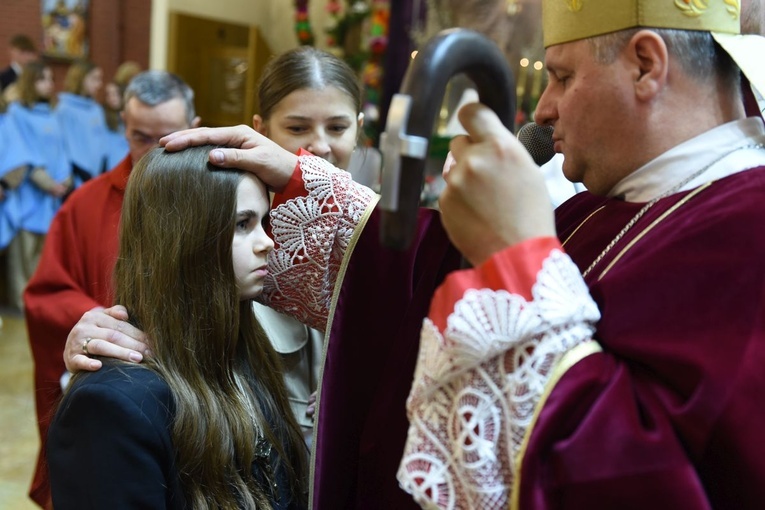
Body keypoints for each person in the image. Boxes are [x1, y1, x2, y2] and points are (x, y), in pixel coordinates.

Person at [47, 145, 309, 509]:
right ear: (185, 240)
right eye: (242, 224)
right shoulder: (112, 405)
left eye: (263, 222)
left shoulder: (244, 351)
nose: (267, 242)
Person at [23, 70, 200, 509]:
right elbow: (47, 295)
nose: (155, 152)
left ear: (195, 128)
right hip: (118, 398)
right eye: (141, 137)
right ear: (123, 125)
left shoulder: (216, 197)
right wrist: (99, 323)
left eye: (169, 136)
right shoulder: (84, 205)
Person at [1, 61, 71, 311]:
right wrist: (46, 182)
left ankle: (35, 304)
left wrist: (64, 179)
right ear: (31, 82)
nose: (49, 84)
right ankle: (21, 305)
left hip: (52, 195)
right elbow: (22, 153)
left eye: (51, 79)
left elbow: (62, 149)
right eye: (43, 79)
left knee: (43, 254)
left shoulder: (52, 112)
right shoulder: (17, 112)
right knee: (23, 255)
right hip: (31, 192)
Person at [56, 59, 108, 187]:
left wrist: (102, 171)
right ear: (80, 79)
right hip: (78, 177)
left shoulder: (97, 109)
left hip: (98, 175)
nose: (99, 84)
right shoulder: (65, 109)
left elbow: (103, 143)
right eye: (94, 79)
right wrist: (85, 176)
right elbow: (66, 147)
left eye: (100, 79)